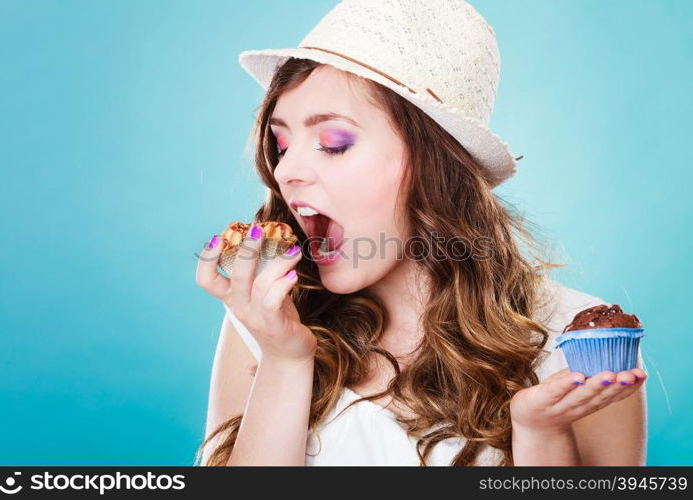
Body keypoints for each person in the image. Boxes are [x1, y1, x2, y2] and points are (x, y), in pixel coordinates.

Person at [195, 0, 647, 466]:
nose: (285, 170)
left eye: (333, 143)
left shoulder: (578, 342)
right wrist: (285, 361)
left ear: (435, 167)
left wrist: (541, 436)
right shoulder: (265, 321)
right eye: (282, 144)